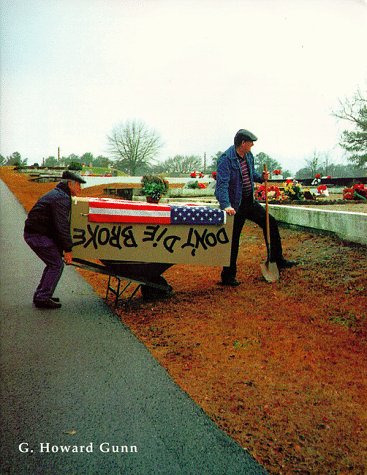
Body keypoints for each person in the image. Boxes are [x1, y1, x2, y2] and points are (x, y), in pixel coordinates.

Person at [215, 129, 297, 286]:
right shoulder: (226, 160)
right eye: (251, 142)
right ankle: (228, 276)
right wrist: (226, 205)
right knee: (233, 239)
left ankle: (277, 259)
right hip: (234, 206)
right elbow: (222, 185)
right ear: (243, 143)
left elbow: (250, 175)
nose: (252, 145)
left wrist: (261, 178)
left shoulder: (248, 156)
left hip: (249, 202)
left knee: (271, 223)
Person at [24, 170, 86, 308]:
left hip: (36, 233)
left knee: (53, 263)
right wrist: (68, 249)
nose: (80, 189)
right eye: (78, 185)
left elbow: (56, 225)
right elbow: (61, 226)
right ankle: (42, 297)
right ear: (70, 184)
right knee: (56, 264)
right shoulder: (61, 198)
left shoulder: (59, 194)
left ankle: (42, 294)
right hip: (37, 235)